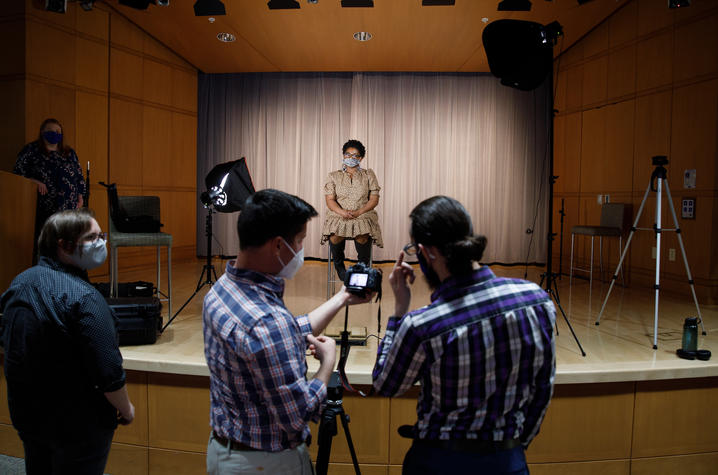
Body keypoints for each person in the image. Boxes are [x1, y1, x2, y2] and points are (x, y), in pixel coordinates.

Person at [372, 196, 556, 475]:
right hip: (508, 460)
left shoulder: (424, 325)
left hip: (438, 462)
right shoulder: (536, 300)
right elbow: (542, 387)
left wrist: (399, 311)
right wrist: (516, 445)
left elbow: (386, 384)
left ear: (427, 252)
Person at [203, 189, 372, 474]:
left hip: (225, 451)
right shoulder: (267, 322)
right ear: (279, 246)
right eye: (300, 241)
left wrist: (342, 297)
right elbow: (298, 415)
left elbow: (280, 335)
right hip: (267, 463)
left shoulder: (222, 290)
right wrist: (327, 365)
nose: (301, 249)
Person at [0, 208, 134, 475]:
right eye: (92, 237)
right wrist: (126, 409)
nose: (101, 243)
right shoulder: (84, 299)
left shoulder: (20, 283)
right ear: (63, 245)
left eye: (101, 236)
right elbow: (108, 373)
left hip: (28, 417)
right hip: (78, 426)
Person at [13, 118, 86, 262]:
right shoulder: (31, 150)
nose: (55, 134)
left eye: (58, 131)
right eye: (51, 131)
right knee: (47, 245)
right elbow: (17, 173)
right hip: (44, 207)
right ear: (42, 132)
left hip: (67, 208)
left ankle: (67, 280)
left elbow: (79, 176)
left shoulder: (69, 152)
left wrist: (80, 195)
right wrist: (34, 181)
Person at [321, 139, 383, 281]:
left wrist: (359, 212)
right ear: (343, 156)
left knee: (361, 234)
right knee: (336, 234)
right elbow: (330, 200)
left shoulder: (368, 175)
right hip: (338, 213)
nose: (351, 158)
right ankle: (339, 267)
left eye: (355, 155)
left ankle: (362, 267)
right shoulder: (333, 176)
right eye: (348, 154)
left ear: (361, 158)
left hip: (363, 213)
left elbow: (374, 199)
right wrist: (343, 212)